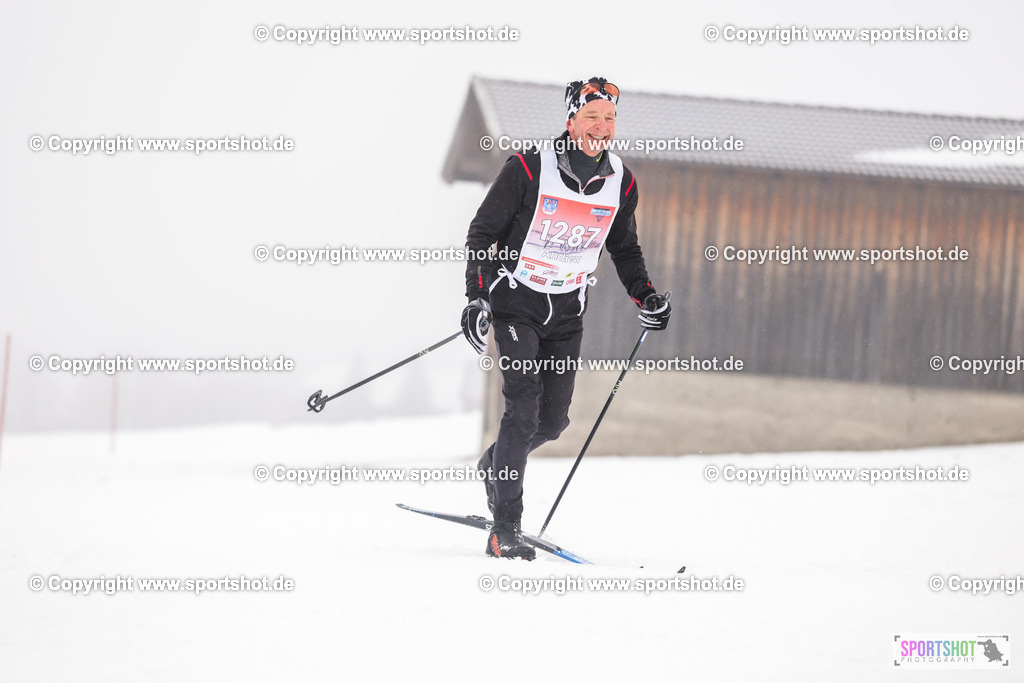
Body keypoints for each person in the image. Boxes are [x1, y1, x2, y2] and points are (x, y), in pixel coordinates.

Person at [460, 76, 671, 560]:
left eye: (610, 118)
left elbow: (624, 247)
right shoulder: (529, 169)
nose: (601, 126)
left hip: (568, 310)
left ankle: (496, 463)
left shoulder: (622, 181)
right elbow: (482, 233)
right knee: (522, 410)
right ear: (571, 120)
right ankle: (505, 529)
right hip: (517, 303)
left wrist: (646, 296)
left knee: (552, 422)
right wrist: (477, 298)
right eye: (592, 116)